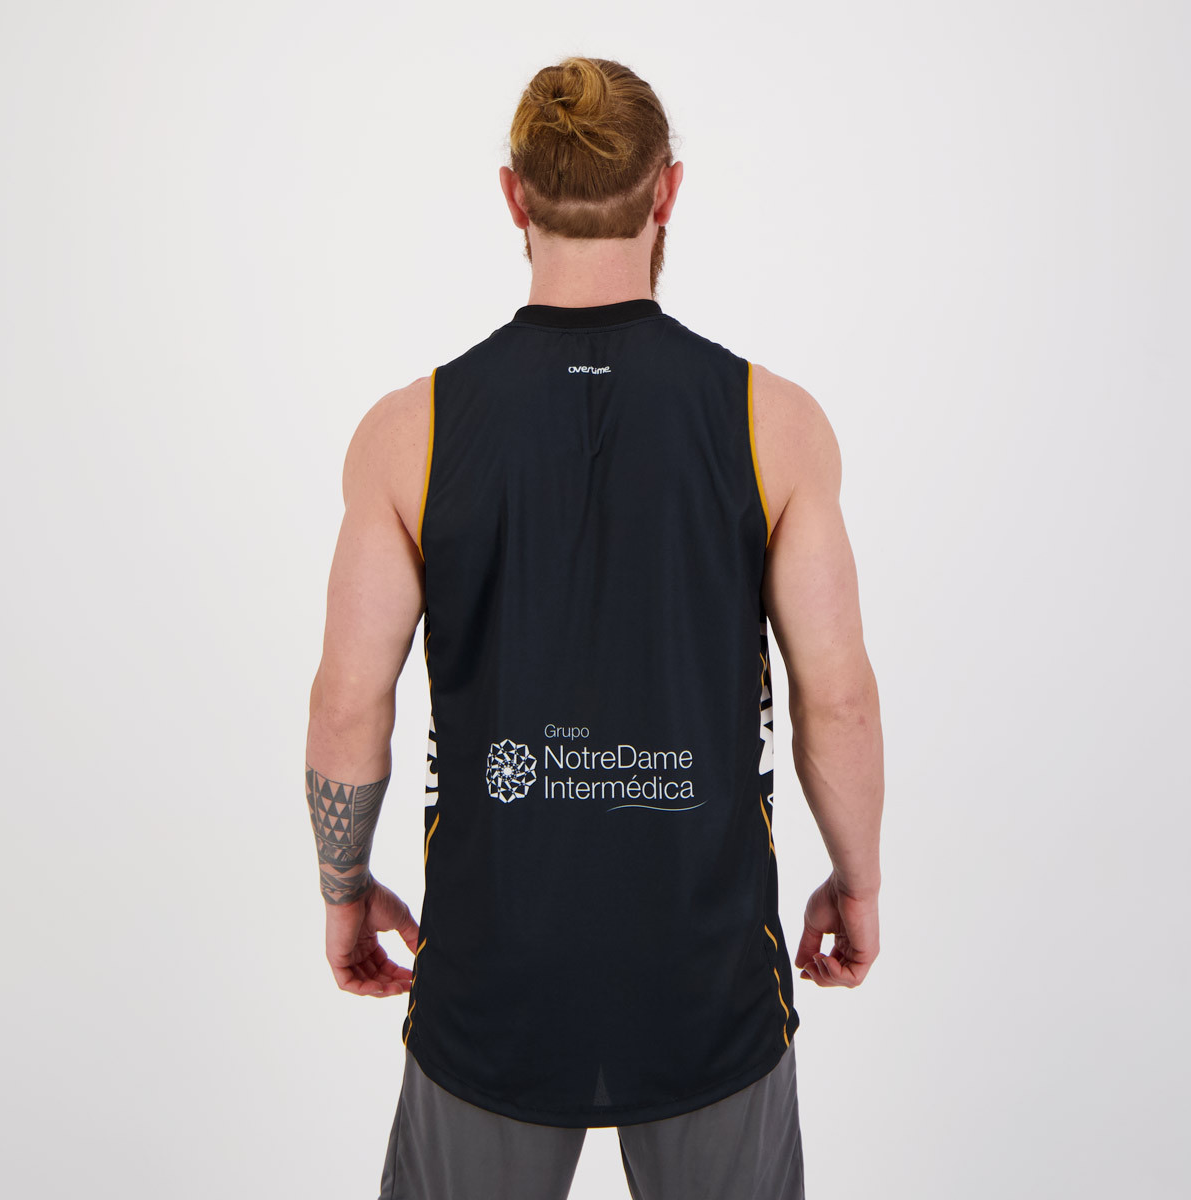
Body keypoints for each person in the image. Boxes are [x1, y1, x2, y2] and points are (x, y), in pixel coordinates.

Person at [304, 55, 883, 1200]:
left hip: (491, 985)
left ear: (513, 195)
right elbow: (840, 700)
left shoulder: (409, 432)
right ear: (667, 191)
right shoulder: (774, 423)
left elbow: (348, 702)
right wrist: (856, 880)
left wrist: (344, 888)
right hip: (709, 983)